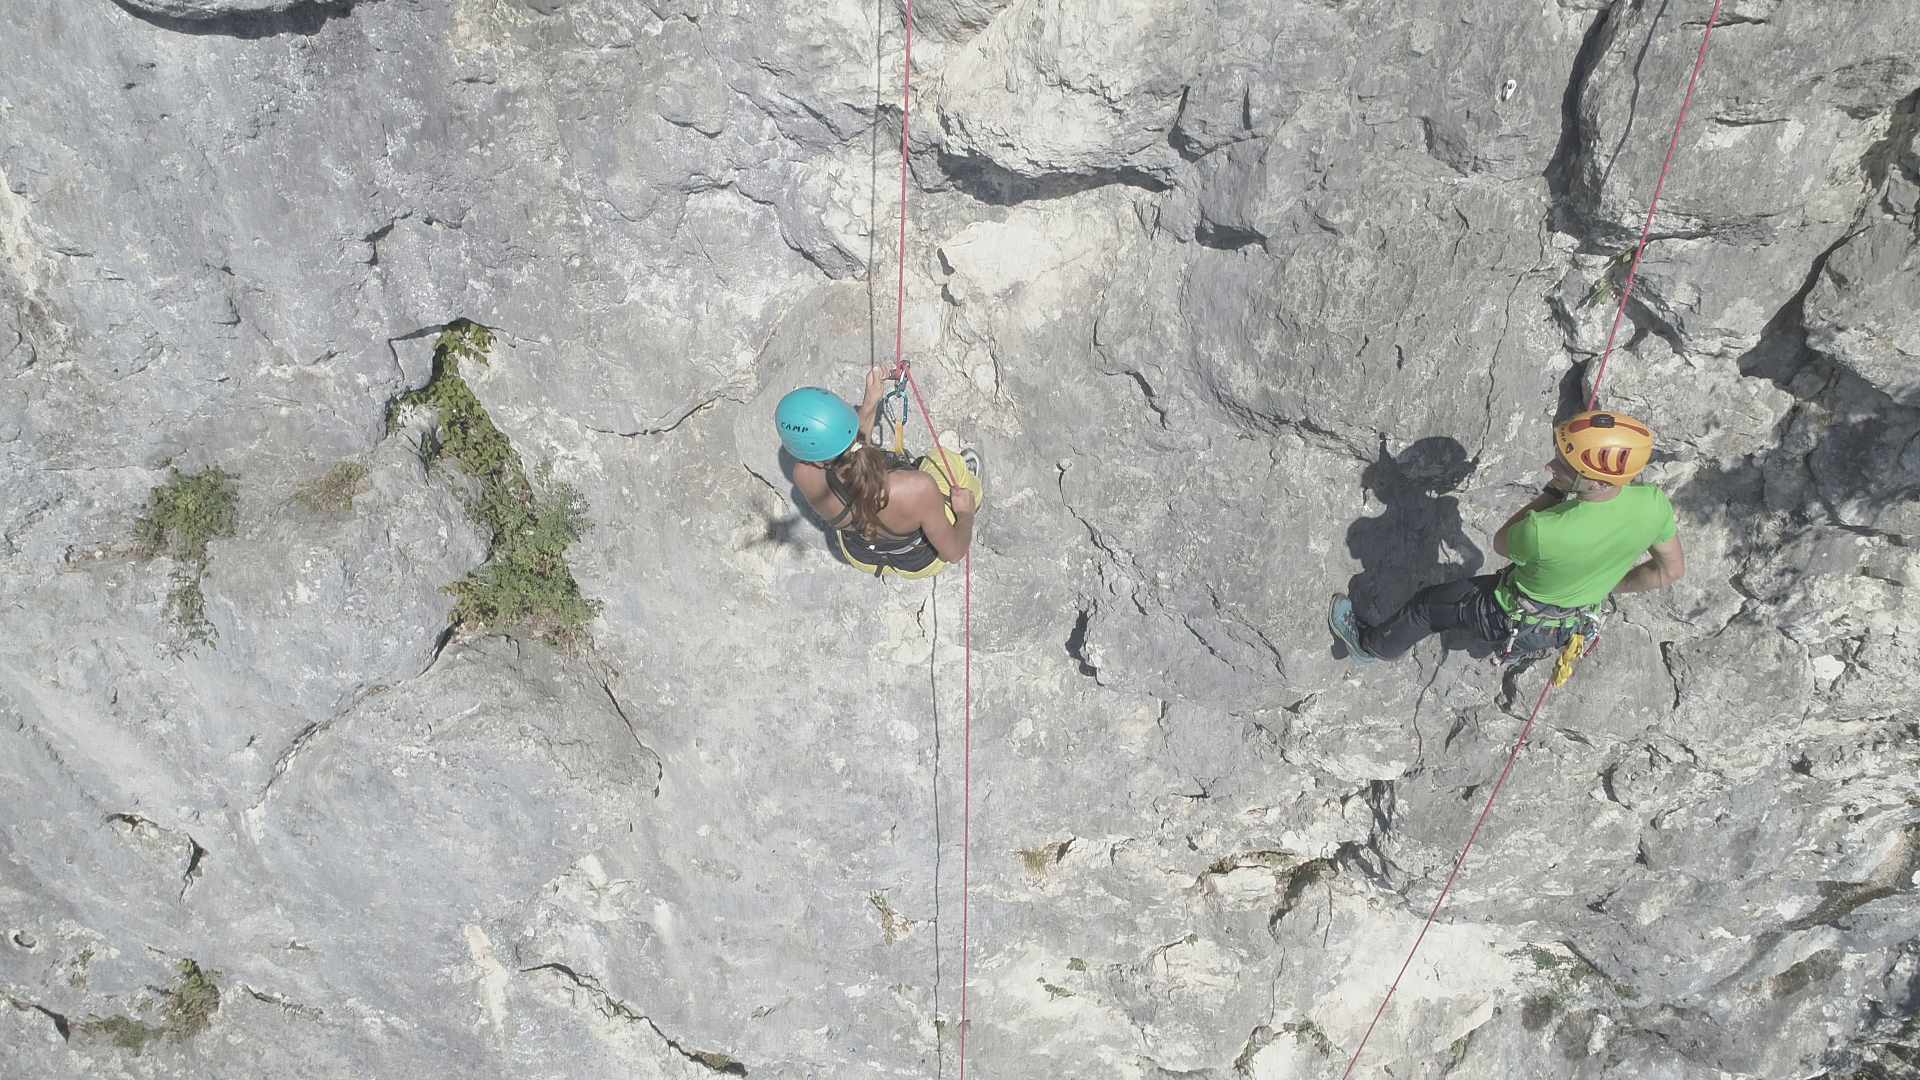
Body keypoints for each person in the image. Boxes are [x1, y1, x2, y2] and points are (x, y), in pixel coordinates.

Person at [1329, 411, 1685, 662]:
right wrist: (1603, 585)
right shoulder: (1654, 505)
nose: (1551, 467)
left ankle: (1370, 647)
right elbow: (1669, 571)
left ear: (1600, 480)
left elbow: (1501, 543)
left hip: (1508, 613)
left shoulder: (1545, 529)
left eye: (1565, 466)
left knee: (1425, 607)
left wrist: (1554, 492)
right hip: (1570, 622)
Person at [775, 369, 983, 579]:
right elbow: (954, 552)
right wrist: (966, 514)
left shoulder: (804, 475)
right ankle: (972, 485)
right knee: (943, 460)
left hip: (861, 556)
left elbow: (851, 463)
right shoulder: (917, 488)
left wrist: (870, 403)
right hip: (918, 562)